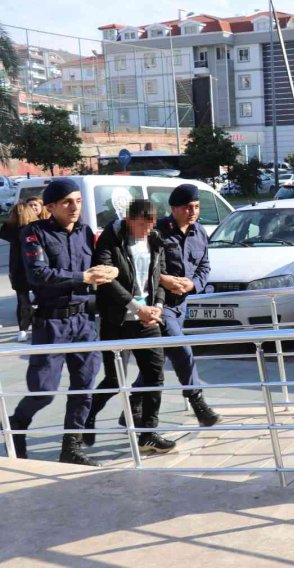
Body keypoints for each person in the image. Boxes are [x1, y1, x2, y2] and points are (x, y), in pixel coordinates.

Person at [6, 178, 118, 465]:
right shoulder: (34, 233)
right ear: (51, 206)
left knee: (83, 388)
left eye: (78, 201)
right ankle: (16, 424)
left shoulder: (85, 232)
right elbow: (38, 274)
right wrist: (83, 277)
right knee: (44, 392)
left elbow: (96, 264)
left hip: (83, 321)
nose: (74, 207)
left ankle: (71, 448)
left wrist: (109, 270)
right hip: (51, 323)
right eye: (67, 202)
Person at [122, 184, 220, 428]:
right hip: (159, 303)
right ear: (174, 208)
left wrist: (193, 284)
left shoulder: (200, 233)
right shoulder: (157, 231)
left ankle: (133, 404)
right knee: (181, 350)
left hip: (181, 305)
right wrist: (164, 279)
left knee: (158, 357)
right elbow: (139, 266)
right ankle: (197, 401)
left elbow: (204, 266)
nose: (192, 212)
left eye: (196, 207)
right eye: (187, 207)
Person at [83, 199, 176, 453]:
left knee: (155, 374)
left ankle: (149, 432)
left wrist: (157, 304)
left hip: (148, 320)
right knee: (115, 379)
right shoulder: (111, 240)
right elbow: (106, 280)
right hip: (118, 321)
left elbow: (159, 274)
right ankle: (87, 416)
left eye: (151, 224)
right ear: (128, 220)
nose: (147, 229)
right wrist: (137, 308)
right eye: (141, 224)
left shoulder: (155, 239)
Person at [1, 202, 39, 342]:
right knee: (40, 297)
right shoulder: (36, 227)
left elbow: (3, 229)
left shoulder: (10, 230)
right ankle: (38, 325)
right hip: (35, 266)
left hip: (18, 270)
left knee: (22, 301)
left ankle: (22, 330)